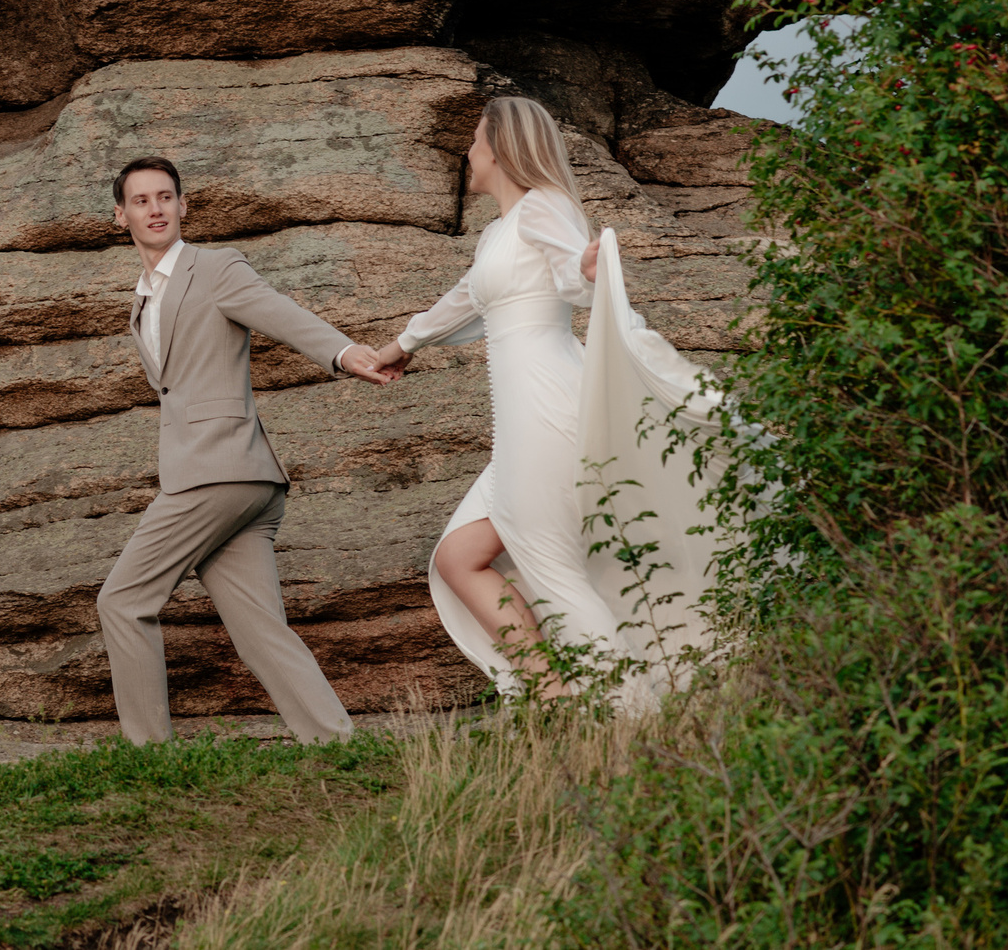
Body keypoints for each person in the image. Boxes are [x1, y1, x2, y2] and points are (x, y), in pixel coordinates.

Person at [364, 97, 720, 698]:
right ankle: (553, 699)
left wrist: (586, 267)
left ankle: (622, 723)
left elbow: (570, 275)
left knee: (553, 570)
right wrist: (404, 343)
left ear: (501, 148)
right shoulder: (498, 232)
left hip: (547, 405)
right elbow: (466, 300)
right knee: (458, 558)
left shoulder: (543, 208)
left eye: (476, 140)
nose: (467, 153)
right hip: (519, 420)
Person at [97, 155, 400, 745]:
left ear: (184, 206)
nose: (155, 208)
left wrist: (344, 353)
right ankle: (336, 743)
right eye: (141, 200)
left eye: (166, 197)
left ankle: (148, 755)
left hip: (217, 471)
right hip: (245, 481)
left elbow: (278, 312)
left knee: (123, 600)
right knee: (261, 629)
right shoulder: (143, 299)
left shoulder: (214, 268)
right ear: (121, 216)